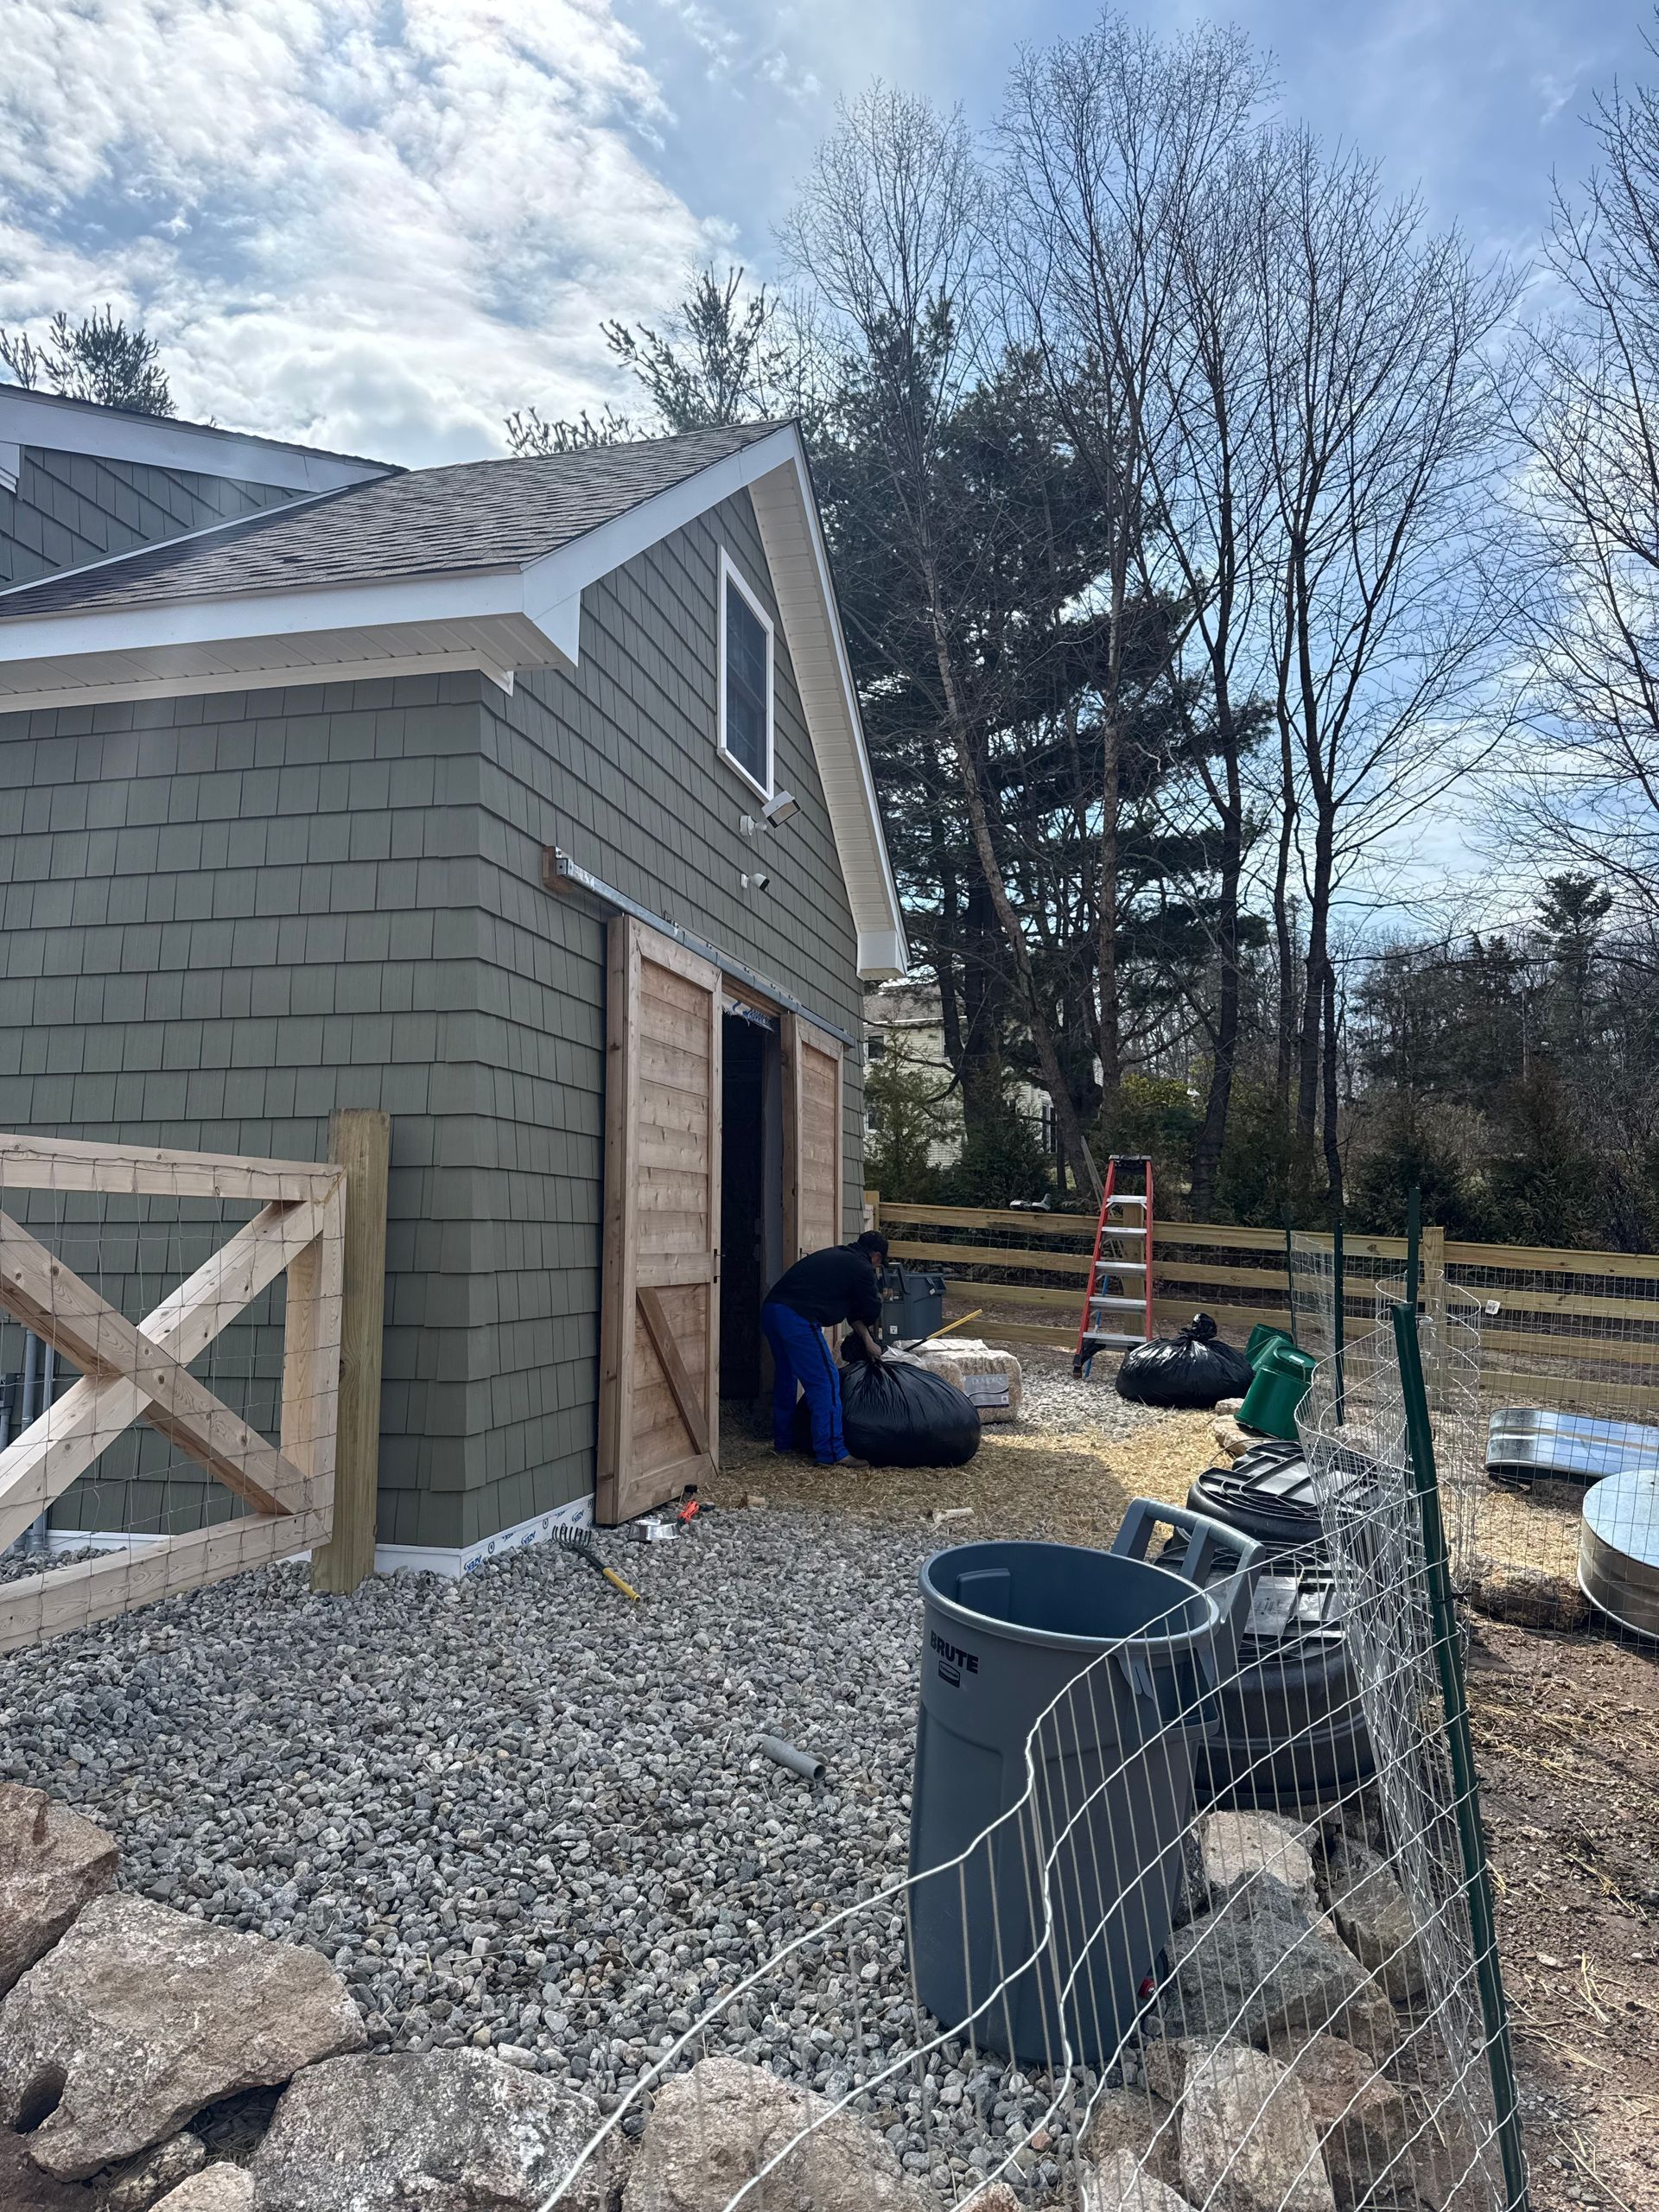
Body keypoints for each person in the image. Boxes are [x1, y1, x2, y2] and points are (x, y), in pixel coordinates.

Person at [760, 1230, 888, 1465]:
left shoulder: (838, 1257)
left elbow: (851, 1309)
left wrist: (866, 1339)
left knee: (786, 1375)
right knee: (826, 1381)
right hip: (798, 1318)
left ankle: (784, 1441)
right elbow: (870, 1307)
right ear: (877, 1257)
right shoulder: (862, 1268)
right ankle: (832, 1452)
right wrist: (870, 1334)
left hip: (772, 1310)